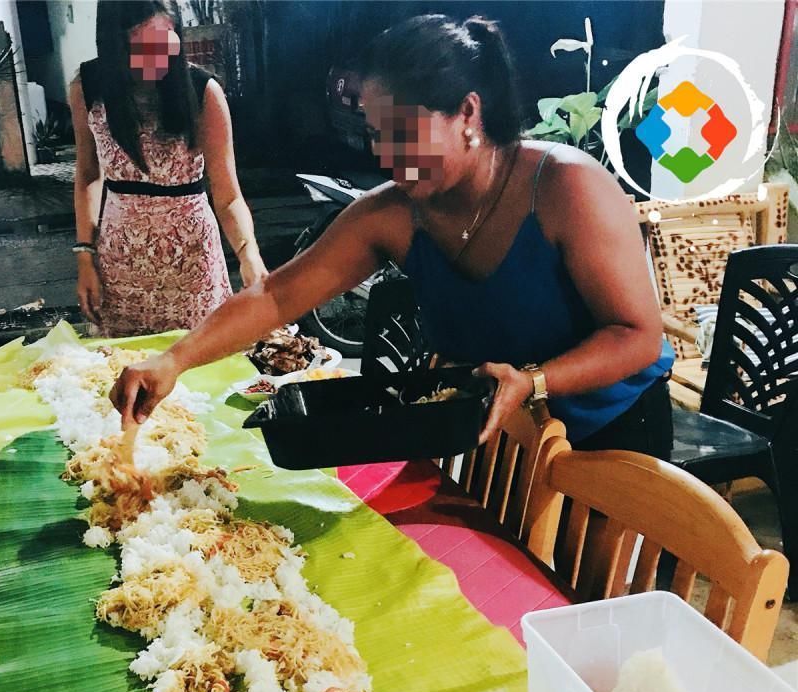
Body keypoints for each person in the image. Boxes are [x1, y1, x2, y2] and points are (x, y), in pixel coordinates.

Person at [110, 14, 675, 458]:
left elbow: (637, 335)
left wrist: (533, 381)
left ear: (467, 113)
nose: (387, 157)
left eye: (405, 133)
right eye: (378, 135)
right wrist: (173, 362)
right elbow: (277, 296)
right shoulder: (394, 214)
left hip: (611, 431)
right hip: (493, 433)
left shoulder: (567, 188)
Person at [71, 0, 268, 336]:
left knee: (202, 369)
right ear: (114, 44)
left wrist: (249, 254)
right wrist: (85, 256)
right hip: (121, 264)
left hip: (192, 262)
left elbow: (227, 193)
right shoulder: (88, 87)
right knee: (122, 369)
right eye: (143, 49)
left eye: (166, 45)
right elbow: (88, 175)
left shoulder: (203, 91)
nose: (158, 60)